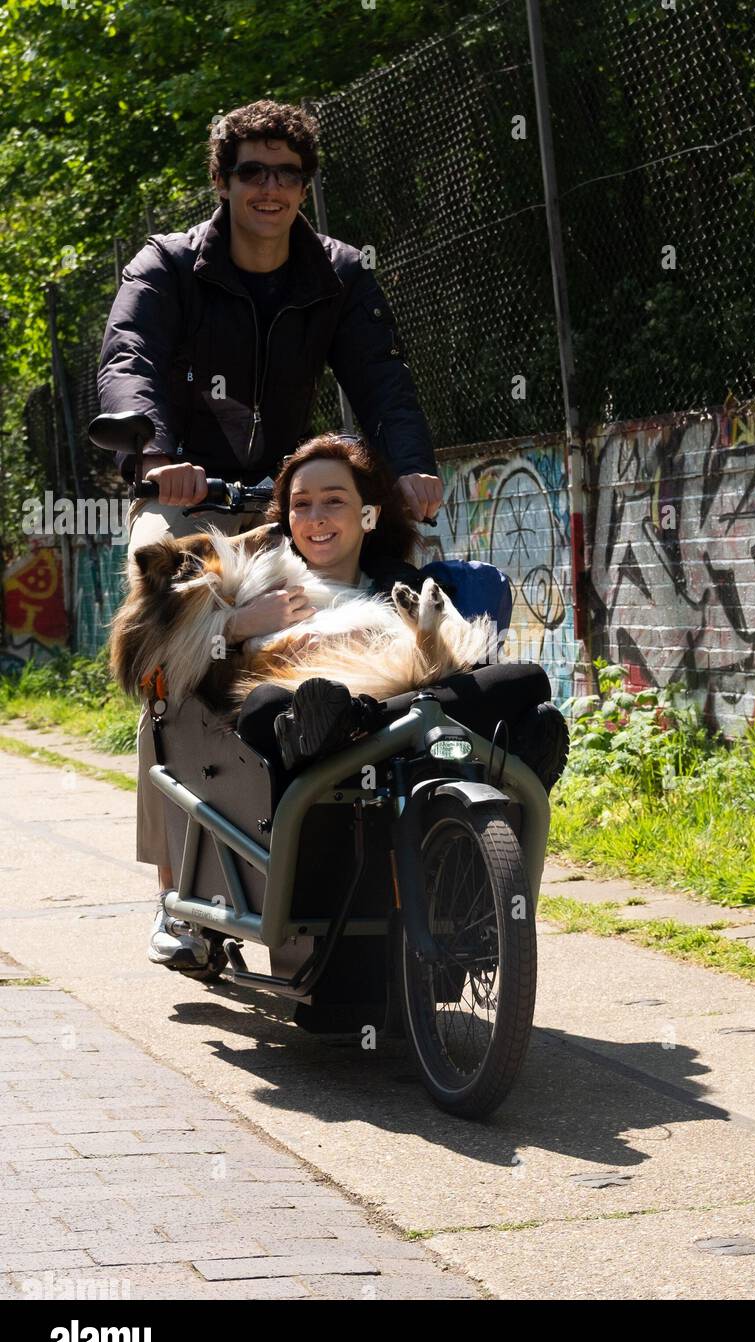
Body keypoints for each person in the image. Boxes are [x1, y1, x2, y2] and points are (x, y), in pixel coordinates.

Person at [96, 99, 444, 961]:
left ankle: (382, 811)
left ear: (304, 186)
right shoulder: (168, 266)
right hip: (188, 492)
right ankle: (177, 893)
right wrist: (154, 455)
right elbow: (128, 359)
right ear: (222, 180)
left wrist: (407, 469)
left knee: (383, 588)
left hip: (287, 492)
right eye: (253, 170)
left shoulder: (338, 273)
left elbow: (383, 381)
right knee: (174, 638)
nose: (271, 188)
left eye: (288, 173)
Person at [152, 434, 569, 971]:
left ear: (369, 515)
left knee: (529, 688)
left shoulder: (403, 584)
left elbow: (467, 664)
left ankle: (365, 721)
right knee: (271, 704)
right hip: (301, 747)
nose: (316, 517)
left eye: (334, 500)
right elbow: (174, 672)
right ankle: (341, 719)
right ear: (288, 520)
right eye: (301, 504)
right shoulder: (256, 587)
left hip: (398, 730)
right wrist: (240, 626)